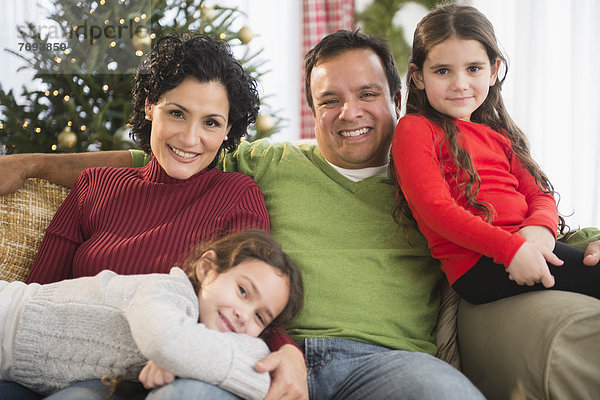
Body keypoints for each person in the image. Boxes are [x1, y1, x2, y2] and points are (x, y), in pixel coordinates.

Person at [3, 29, 600, 399]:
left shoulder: (436, 172)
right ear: (311, 109)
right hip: (254, 352)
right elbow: (168, 153)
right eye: (329, 100)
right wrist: (28, 163)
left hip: (386, 362)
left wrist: (592, 241)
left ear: (398, 97)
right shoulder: (267, 162)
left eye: (367, 95)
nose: (350, 113)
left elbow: (521, 217)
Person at [0, 32, 305, 400]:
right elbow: (41, 293)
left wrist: (288, 351)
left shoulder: (237, 195)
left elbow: (250, 299)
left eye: (211, 123)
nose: (191, 139)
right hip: (56, 365)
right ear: (149, 107)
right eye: (177, 113)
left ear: (227, 131)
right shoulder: (94, 185)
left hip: (157, 376)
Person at [390, 3, 600, 305]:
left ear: (494, 71)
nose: (459, 84)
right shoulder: (415, 129)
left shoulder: (499, 136)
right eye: (442, 71)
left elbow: (539, 195)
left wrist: (539, 232)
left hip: (524, 245)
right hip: (481, 264)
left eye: (473, 68)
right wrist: (511, 249)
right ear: (419, 76)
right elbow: (436, 209)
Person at [0, 230, 304, 400]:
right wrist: (177, 353)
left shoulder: (207, 337)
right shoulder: (167, 290)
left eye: (261, 318)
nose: (243, 315)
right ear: (208, 269)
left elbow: (260, 368)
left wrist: (183, 358)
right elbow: (166, 340)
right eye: (243, 291)